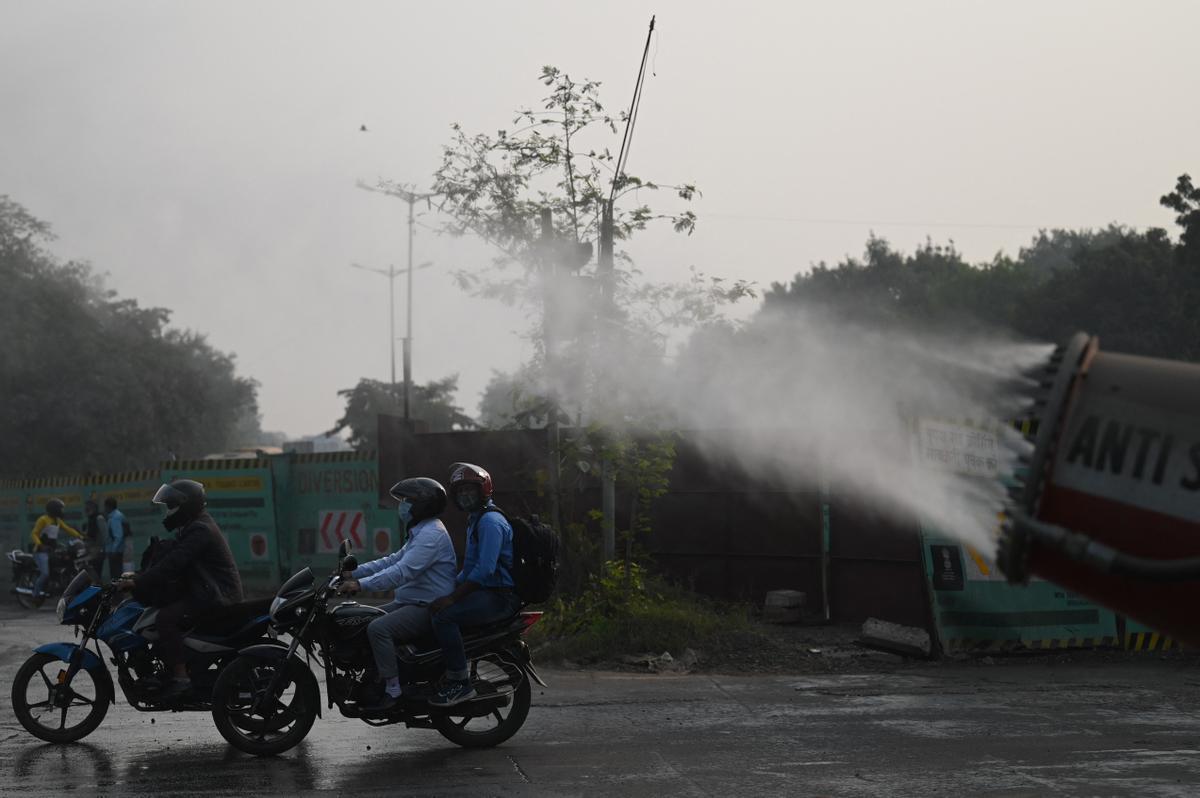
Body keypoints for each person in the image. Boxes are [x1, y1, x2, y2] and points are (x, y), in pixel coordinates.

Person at [336, 477, 457, 710]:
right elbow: (392, 560)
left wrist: (360, 585)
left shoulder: (431, 535)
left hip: (426, 606)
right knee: (365, 618)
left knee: (378, 628)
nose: (402, 505)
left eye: (406, 501)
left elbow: (402, 572)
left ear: (422, 505)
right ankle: (377, 676)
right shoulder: (421, 531)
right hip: (410, 601)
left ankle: (393, 691)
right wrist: (352, 573)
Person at [117, 479, 243, 698]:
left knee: (165, 618)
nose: (168, 511)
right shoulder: (195, 525)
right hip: (206, 591)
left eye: (171, 505)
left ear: (186, 505)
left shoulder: (200, 530)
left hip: (217, 595)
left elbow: (174, 563)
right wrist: (139, 575)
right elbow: (168, 560)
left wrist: (139, 582)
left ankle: (181, 677)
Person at [427, 463, 520, 707]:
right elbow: (468, 569)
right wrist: (444, 590)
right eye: (460, 491)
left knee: (444, 617)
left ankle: (460, 683)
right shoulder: (475, 520)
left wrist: (452, 598)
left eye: (470, 489)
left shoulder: (490, 522)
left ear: (484, 490)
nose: (464, 495)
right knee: (433, 608)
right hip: (485, 592)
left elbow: (484, 570)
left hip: (498, 596)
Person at [30, 498, 84, 598]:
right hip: (41, 552)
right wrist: (40, 545)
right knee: (45, 574)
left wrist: (80, 536)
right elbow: (34, 534)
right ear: (54, 509)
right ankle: (35, 595)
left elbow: (68, 529)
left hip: (51, 551)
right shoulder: (43, 520)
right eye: (60, 509)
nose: (62, 511)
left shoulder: (57, 521)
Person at [82, 499, 109, 578]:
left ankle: (96, 590)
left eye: (89, 507)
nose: (87, 509)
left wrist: (104, 549)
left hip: (97, 551)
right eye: (86, 507)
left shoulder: (99, 518)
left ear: (94, 508)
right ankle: (93, 590)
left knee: (96, 574)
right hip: (90, 551)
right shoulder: (90, 519)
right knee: (90, 575)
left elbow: (105, 535)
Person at [102, 497, 128, 580]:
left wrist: (113, 550)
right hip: (116, 550)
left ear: (108, 506)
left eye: (105, 506)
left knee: (115, 576)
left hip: (115, 552)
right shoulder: (115, 516)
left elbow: (118, 536)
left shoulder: (115, 517)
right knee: (116, 574)